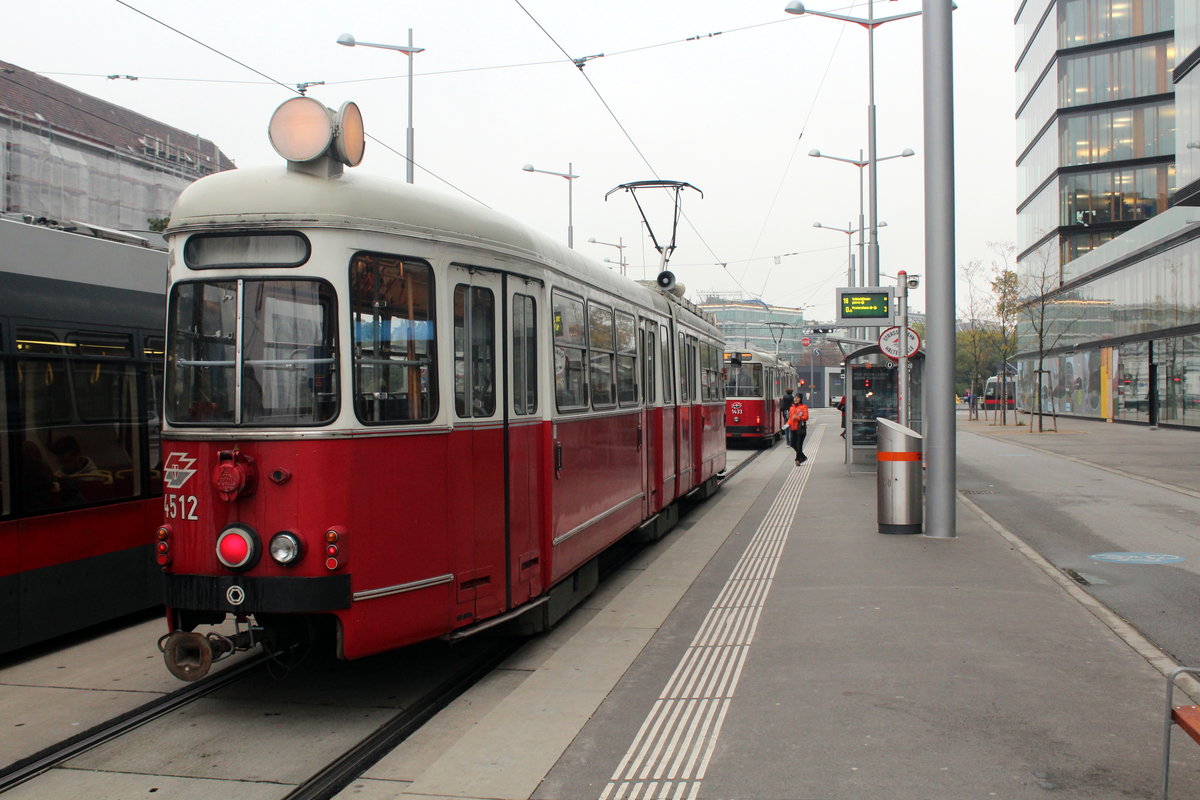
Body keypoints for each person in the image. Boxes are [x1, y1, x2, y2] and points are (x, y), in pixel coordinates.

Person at [787, 394, 810, 464]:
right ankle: (803, 456)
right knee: (792, 444)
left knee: (799, 444)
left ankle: (797, 459)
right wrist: (786, 425)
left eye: (797, 398)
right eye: (795, 398)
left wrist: (797, 417)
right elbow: (790, 419)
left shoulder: (804, 407)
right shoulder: (791, 408)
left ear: (800, 399)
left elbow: (806, 417)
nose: (796, 399)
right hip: (793, 429)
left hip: (800, 429)